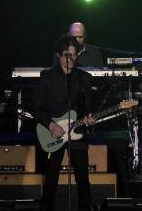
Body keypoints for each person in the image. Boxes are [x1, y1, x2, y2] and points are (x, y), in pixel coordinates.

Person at [33, 35, 96, 211]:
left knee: (83, 179)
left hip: (77, 133)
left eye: (74, 55)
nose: (71, 59)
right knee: (51, 180)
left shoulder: (84, 78)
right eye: (67, 55)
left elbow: (88, 108)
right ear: (58, 55)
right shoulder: (47, 77)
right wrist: (51, 125)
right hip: (53, 134)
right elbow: (37, 108)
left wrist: (90, 120)